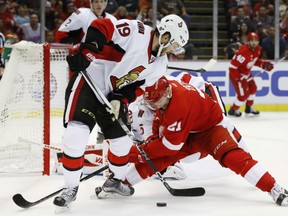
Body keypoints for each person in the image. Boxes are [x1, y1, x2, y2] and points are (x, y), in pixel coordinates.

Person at [53, 13, 189, 209]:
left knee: (122, 142)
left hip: (112, 94)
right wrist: (87, 52)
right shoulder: (137, 31)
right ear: (166, 37)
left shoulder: (160, 64)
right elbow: (102, 26)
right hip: (90, 82)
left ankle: (114, 182)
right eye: (173, 45)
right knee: (76, 133)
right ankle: (70, 188)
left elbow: (138, 87)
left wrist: (121, 99)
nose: (173, 50)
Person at [123, 76, 288, 206]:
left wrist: (133, 154)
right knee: (161, 159)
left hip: (211, 129)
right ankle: (120, 183)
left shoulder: (179, 104)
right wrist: (149, 143)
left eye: (157, 101)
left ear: (166, 91)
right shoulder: (166, 93)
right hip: (189, 130)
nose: (156, 106)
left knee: (234, 158)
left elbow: (169, 146)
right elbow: (160, 123)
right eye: (153, 103)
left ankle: (274, 189)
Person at [227, 32, 274, 117]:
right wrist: (240, 78)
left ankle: (249, 107)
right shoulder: (243, 52)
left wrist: (264, 65)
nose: (254, 42)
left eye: (256, 40)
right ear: (248, 41)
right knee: (244, 95)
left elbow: (254, 61)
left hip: (246, 73)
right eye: (252, 40)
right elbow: (232, 67)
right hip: (237, 75)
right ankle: (233, 110)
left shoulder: (258, 49)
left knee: (253, 88)